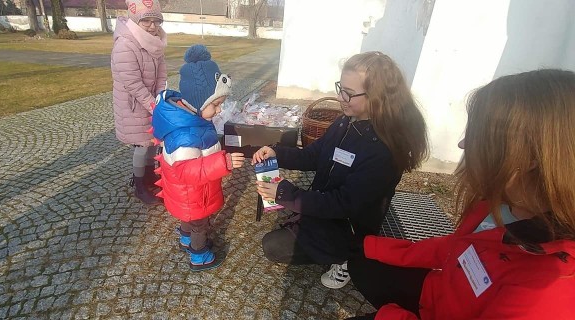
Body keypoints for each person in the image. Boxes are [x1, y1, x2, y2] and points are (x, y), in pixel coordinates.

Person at [347, 69, 575, 319]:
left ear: (529, 156)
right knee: (361, 261)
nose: (463, 144)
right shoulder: (496, 201)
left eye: (480, 135)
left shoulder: (546, 289)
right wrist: (373, 246)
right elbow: (459, 247)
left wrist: (390, 315)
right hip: (440, 292)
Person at [252, 52, 428, 288]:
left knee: (273, 246)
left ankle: (349, 256)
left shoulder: (383, 150)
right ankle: (322, 234)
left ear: (377, 97)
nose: (340, 97)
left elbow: (343, 203)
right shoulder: (346, 120)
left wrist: (285, 193)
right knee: (279, 238)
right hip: (328, 204)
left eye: (349, 92)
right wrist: (277, 152)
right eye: (340, 87)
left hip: (349, 224)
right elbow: (314, 156)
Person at [152, 45, 245, 271]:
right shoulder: (184, 134)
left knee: (190, 216)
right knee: (200, 223)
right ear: (198, 101)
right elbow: (186, 171)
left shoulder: (192, 119)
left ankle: (185, 236)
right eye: (215, 104)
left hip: (190, 195)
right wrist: (224, 163)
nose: (219, 110)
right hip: (194, 192)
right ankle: (199, 254)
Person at [111, 0, 167, 205]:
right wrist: (154, 105)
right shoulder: (125, 44)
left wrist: (160, 98)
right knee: (142, 145)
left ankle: (149, 174)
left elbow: (161, 75)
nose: (153, 26)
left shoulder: (156, 41)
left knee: (154, 141)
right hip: (133, 105)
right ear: (136, 21)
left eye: (156, 21)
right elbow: (133, 84)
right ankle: (139, 184)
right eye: (147, 21)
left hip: (151, 102)